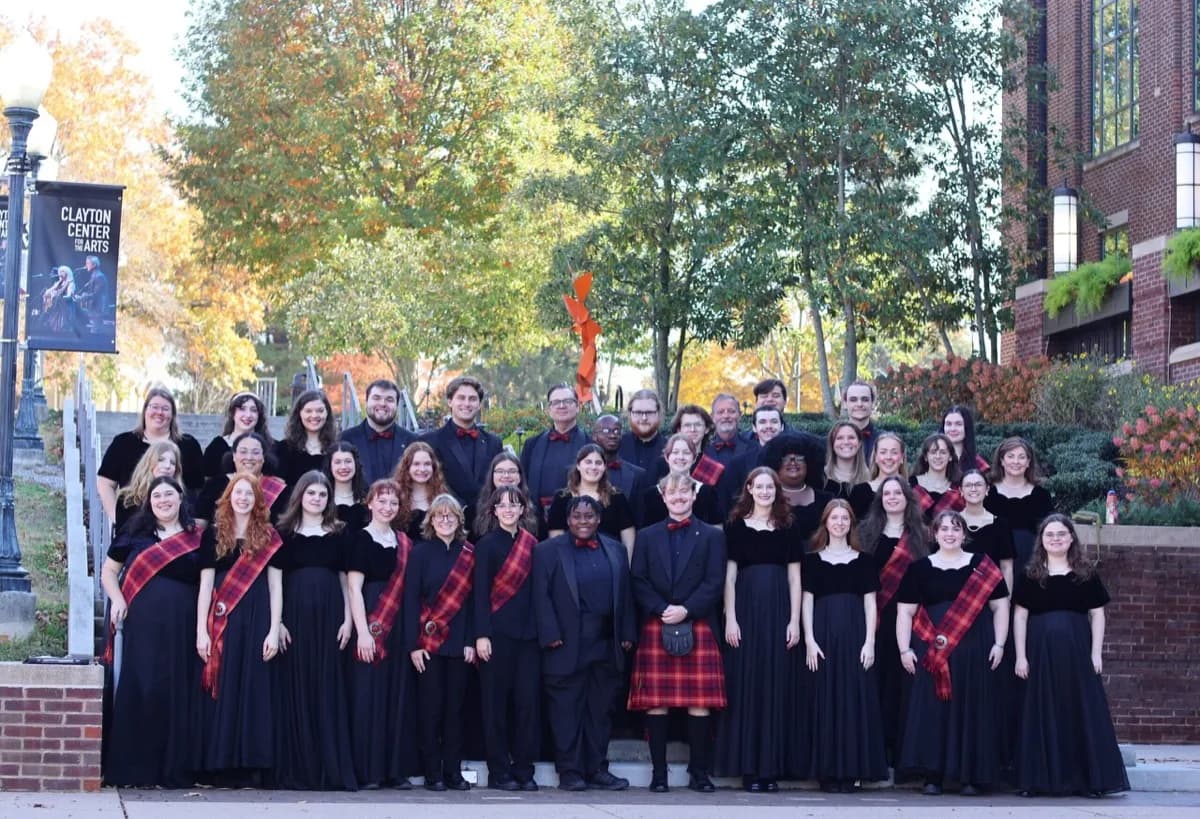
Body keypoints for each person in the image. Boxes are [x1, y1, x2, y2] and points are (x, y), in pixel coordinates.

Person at [1013, 514, 1128, 798]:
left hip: (1078, 653)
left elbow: (1097, 615)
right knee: (1041, 711)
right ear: (1041, 540)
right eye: (1049, 535)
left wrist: (1096, 653)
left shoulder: (1085, 574)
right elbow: (1020, 617)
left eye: (1061, 534)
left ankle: (1086, 781)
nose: (1055, 539)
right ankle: (1037, 781)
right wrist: (1020, 656)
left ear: (1071, 539)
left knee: (1081, 712)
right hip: (1040, 654)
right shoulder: (1030, 576)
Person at [896, 511, 1009, 796]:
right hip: (930, 648)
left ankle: (969, 776)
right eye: (944, 528)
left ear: (963, 534)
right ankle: (933, 775)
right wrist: (904, 649)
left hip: (974, 648)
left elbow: (1000, 608)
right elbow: (905, 612)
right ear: (934, 533)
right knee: (933, 711)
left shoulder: (982, 566)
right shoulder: (919, 568)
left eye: (955, 529)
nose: (949, 533)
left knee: (971, 710)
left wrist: (999, 643)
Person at [100, 476, 203, 788]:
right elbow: (109, 571)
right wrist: (117, 599)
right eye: (157, 495)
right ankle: (135, 770)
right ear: (149, 501)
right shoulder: (135, 533)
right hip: (143, 622)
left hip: (183, 624)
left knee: (178, 689)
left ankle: (174, 769)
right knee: (143, 685)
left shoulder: (196, 536)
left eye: (169, 494)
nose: (163, 500)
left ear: (180, 498)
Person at [628, 473, 726, 794]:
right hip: (658, 621)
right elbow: (638, 579)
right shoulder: (646, 535)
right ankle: (659, 775)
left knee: (700, 703)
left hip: (697, 621)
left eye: (685, 492)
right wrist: (661, 608)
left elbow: (715, 580)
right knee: (657, 703)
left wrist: (687, 609)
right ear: (663, 496)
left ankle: (699, 774)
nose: (679, 497)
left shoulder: (712, 535)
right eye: (673, 492)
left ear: (694, 496)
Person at [532, 495, 637, 792]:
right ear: (568, 520)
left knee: (600, 712)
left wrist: (627, 633)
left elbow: (625, 594)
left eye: (589, 516)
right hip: (565, 644)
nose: (583, 521)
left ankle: (597, 768)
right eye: (577, 516)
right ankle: (570, 771)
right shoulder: (546, 551)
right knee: (566, 711)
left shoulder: (615, 549)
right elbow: (541, 597)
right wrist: (550, 635)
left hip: (606, 643)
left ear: (599, 519)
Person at [268, 471, 356, 789]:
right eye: (311, 493)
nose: (317, 499)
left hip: (332, 617)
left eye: (322, 494)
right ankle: (299, 769)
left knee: (328, 686)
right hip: (294, 618)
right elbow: (274, 582)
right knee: (296, 686)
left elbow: (347, 581)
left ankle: (329, 769)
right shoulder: (283, 533)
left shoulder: (340, 532)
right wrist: (276, 623)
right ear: (300, 497)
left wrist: (348, 621)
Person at [715, 467, 801, 793]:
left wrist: (794, 621)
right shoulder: (735, 527)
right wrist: (731, 617)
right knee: (746, 685)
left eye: (770, 487)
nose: (764, 491)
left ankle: (771, 769)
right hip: (746, 612)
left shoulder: (789, 527)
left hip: (779, 609)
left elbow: (795, 578)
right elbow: (730, 577)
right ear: (749, 488)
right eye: (759, 486)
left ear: (777, 490)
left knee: (775, 685)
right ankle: (749, 768)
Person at [196, 473, 285, 787]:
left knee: (254, 686)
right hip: (223, 617)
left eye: (250, 494)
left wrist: (274, 629)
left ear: (258, 500)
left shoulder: (269, 535)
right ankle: (221, 764)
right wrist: (201, 631)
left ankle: (252, 764)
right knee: (224, 683)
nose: (243, 498)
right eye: (238, 492)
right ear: (229, 496)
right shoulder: (214, 534)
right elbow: (205, 584)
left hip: (259, 614)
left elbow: (276, 586)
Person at [799, 500, 887, 792]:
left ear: (851, 523)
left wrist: (870, 642)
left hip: (855, 636)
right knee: (824, 700)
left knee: (853, 700)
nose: (839, 523)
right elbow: (806, 602)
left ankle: (851, 771)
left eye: (844, 518)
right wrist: (810, 641)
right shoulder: (811, 560)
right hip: (822, 635)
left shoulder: (864, 560)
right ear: (825, 522)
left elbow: (870, 604)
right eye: (834, 518)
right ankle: (827, 772)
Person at [345, 479, 418, 790]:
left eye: (393, 502)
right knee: (368, 695)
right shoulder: (361, 539)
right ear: (370, 503)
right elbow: (353, 588)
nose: (387, 507)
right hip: (371, 618)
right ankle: (368, 770)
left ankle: (393, 769)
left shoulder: (404, 542)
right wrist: (363, 632)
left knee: (397, 694)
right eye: (382, 501)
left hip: (399, 623)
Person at [404, 494, 477, 791]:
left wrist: (471, 640)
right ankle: (433, 774)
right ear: (431, 521)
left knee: (455, 712)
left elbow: (474, 603)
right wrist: (413, 645)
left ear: (459, 520)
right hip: (428, 645)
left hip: (460, 645)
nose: (445, 520)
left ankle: (454, 773)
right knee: (431, 710)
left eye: (451, 515)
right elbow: (410, 600)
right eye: (439, 515)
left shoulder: (469, 553)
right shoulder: (419, 553)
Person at [473, 486, 542, 792]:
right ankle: (499, 771)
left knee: (527, 706)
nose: (509, 510)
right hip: (496, 636)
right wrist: (481, 634)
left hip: (528, 637)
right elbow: (479, 595)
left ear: (522, 510)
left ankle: (524, 770)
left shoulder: (534, 545)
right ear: (494, 511)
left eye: (515, 505)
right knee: (494, 707)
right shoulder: (485, 545)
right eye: (503, 506)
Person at [857, 476, 929, 765]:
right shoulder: (865, 533)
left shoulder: (923, 535)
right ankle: (875, 750)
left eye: (898, 492)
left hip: (910, 619)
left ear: (908, 498)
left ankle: (901, 751)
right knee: (874, 680)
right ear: (880, 499)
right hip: (874, 615)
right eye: (886, 493)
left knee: (903, 684)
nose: (892, 497)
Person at [97, 387, 205, 523]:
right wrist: (115, 517)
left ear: (173, 415)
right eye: (154, 407)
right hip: (133, 526)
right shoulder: (123, 443)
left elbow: (198, 489)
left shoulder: (188, 445)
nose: (159, 412)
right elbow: (105, 483)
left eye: (165, 409)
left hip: (177, 527)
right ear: (145, 411)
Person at [423, 375, 503, 510]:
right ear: (450, 401)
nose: (466, 404)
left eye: (472, 399)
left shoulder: (493, 443)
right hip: (446, 518)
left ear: (479, 404)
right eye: (461, 398)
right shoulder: (430, 441)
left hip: (485, 519)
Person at [546, 444, 637, 557]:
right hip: (572, 561)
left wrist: (625, 566)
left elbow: (628, 536)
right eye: (588, 462)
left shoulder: (617, 496)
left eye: (598, 463)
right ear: (578, 465)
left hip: (610, 560)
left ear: (604, 467)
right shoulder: (561, 497)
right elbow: (556, 536)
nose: (593, 467)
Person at [521, 383, 591, 526]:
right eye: (556, 402)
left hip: (579, 523)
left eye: (567, 401)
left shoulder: (591, 445)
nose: (561, 406)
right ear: (549, 409)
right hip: (538, 524)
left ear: (577, 406)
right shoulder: (531, 445)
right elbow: (523, 484)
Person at [984, 437, 1055, 571]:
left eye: (1022, 457)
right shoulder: (987, 494)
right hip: (993, 565)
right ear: (1001, 461)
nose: (1016, 462)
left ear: (1028, 462)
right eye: (1010, 456)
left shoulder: (1041, 495)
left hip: (1031, 565)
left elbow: (1048, 532)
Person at [195, 432, 286, 525]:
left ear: (263, 457)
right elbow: (201, 523)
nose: (249, 457)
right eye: (243, 451)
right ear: (234, 456)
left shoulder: (280, 489)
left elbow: (284, 526)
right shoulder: (214, 485)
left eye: (255, 452)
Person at [339, 379, 417, 485]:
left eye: (389, 400)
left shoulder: (412, 442)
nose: (382, 403)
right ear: (366, 402)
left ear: (397, 405)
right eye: (376, 398)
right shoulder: (346, 439)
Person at [760, 431, 832, 543]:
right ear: (775, 463)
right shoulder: (763, 498)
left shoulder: (827, 500)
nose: (793, 462)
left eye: (799, 457)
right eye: (786, 458)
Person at [716, 404, 784, 518]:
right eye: (762, 422)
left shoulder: (793, 463)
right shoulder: (738, 464)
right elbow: (729, 501)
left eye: (773, 421)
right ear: (754, 427)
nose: (768, 426)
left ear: (782, 426)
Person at [639, 433, 720, 527]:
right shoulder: (651, 495)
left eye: (686, 452)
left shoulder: (707, 493)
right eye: (675, 452)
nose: (681, 457)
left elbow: (717, 533)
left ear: (694, 458)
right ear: (667, 457)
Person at [273, 390, 338, 500]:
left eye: (320, 411)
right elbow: (278, 491)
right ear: (299, 413)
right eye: (308, 411)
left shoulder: (336, 450)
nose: (314, 415)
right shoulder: (283, 449)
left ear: (327, 413)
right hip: (290, 513)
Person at [959, 470, 1015, 594]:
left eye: (978, 484)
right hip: (957, 597)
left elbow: (1007, 567)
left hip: (992, 594)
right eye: (968, 485)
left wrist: (1006, 600)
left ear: (987, 489)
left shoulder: (1001, 524)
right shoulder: (951, 524)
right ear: (961, 491)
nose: (973, 489)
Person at [113, 440, 182, 535]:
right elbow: (122, 540)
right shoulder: (127, 499)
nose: (167, 466)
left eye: (173, 463)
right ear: (149, 463)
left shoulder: (181, 498)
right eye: (161, 460)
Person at [203, 392, 272, 481]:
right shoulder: (217, 447)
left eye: (253, 410)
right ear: (232, 413)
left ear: (259, 415)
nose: (248, 415)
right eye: (242, 409)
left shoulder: (272, 447)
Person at [592, 414, 647, 520]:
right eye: (606, 431)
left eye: (616, 431)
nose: (612, 435)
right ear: (594, 436)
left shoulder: (638, 475)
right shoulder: (580, 471)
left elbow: (640, 517)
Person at [393, 441, 449, 541]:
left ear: (434, 467)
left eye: (427, 464)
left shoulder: (442, 496)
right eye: (416, 464)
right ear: (407, 467)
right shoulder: (395, 496)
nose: (422, 469)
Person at [822, 421, 874, 519]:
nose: (846, 442)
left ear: (859, 443)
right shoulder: (820, 478)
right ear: (832, 444)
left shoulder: (871, 480)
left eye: (851, 437)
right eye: (839, 438)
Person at [473, 451, 533, 537]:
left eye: (512, 471)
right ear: (492, 475)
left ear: (520, 476)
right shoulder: (476, 510)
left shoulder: (534, 509)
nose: (506, 475)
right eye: (500, 471)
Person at [909, 433, 965, 520]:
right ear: (925, 457)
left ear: (950, 456)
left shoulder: (959, 487)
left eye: (943, 452)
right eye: (933, 452)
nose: (938, 456)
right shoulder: (911, 485)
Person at [618, 389, 666, 471]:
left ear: (658, 413)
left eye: (649, 412)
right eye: (638, 412)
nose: (644, 418)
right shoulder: (617, 446)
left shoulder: (669, 449)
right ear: (630, 413)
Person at [326, 441, 369, 530]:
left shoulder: (368, 497)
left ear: (356, 464)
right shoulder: (322, 497)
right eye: (337, 462)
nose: (343, 467)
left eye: (348, 461)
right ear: (330, 466)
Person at [705, 394, 747, 466]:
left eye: (731, 411)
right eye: (720, 412)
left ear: (740, 415)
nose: (726, 416)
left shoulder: (754, 449)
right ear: (712, 417)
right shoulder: (703, 451)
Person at [942, 405, 988, 472]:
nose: (953, 429)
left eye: (958, 424)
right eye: (948, 424)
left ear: (967, 427)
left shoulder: (979, 464)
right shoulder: (934, 461)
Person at [842, 380, 878, 462]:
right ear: (844, 404)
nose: (859, 404)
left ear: (873, 404)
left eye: (865, 399)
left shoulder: (884, 441)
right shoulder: (833, 441)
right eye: (853, 400)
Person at [41, 265, 77, 333]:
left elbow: (69, 296)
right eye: (60, 271)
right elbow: (50, 290)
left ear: (67, 273)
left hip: (66, 307)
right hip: (57, 307)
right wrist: (48, 293)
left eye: (63, 271)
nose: (60, 273)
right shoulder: (58, 283)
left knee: (63, 327)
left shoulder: (71, 284)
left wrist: (59, 297)